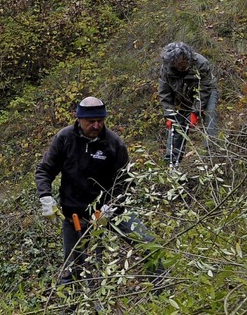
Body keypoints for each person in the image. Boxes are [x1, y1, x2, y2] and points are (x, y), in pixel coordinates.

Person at [35, 96, 164, 286]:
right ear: (79, 119)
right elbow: (45, 170)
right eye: (91, 122)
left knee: (148, 244)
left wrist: (112, 206)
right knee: (73, 269)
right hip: (75, 213)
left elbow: (126, 182)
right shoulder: (64, 139)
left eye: (100, 121)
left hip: (110, 210)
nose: (96, 126)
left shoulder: (113, 143)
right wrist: (46, 197)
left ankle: (160, 291)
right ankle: (72, 305)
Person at [158, 42, 218, 166]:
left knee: (210, 117)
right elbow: (165, 93)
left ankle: (211, 155)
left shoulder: (201, 63)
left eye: (183, 62)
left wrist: (195, 112)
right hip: (181, 94)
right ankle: (171, 160)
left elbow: (204, 89)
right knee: (176, 124)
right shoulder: (166, 69)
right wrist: (169, 116)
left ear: (188, 57)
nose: (181, 66)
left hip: (205, 91)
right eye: (177, 64)